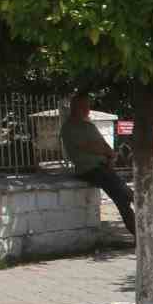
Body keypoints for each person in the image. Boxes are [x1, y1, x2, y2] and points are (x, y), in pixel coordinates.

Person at [59, 92, 136, 237]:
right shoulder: (70, 127)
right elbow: (89, 146)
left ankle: (140, 228)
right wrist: (107, 152)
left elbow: (101, 143)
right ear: (76, 107)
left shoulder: (87, 125)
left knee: (122, 197)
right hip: (89, 169)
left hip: (102, 167)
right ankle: (144, 216)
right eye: (85, 106)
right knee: (123, 194)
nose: (88, 109)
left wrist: (110, 154)